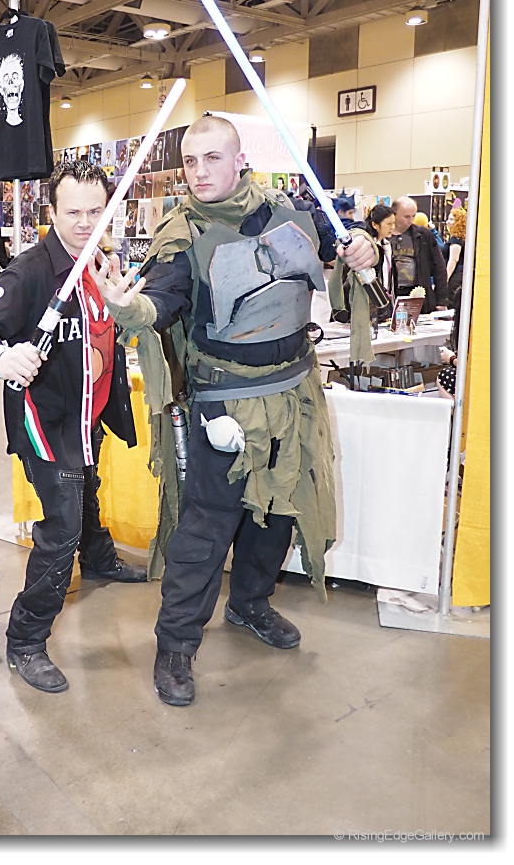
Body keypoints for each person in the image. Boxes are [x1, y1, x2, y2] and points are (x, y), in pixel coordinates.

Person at [91, 115, 377, 707]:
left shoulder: (289, 211)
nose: (199, 172)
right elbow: (162, 300)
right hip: (224, 403)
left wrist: (361, 245)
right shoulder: (182, 234)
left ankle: (251, 604)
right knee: (207, 526)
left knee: (277, 512)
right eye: (190, 161)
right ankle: (175, 645)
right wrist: (129, 308)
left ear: (240, 160)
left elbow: (342, 244)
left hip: (292, 394)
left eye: (212, 158)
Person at [0, 160, 146, 696]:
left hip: (87, 415)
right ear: (51, 212)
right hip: (47, 424)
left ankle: (99, 560)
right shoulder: (31, 271)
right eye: (73, 212)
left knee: (88, 491)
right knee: (60, 532)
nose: (85, 223)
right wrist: (0, 357)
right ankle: (26, 640)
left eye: (95, 211)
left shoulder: (100, 262)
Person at [389, 197, 448, 313]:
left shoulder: (423, 235)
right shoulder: (383, 236)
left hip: (418, 294)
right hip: (391, 294)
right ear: (394, 214)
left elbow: (439, 267)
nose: (411, 221)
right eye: (406, 217)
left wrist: (442, 300)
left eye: (413, 216)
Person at [444, 207, 467, 309]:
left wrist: (445, 278)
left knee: (452, 303)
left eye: (451, 219)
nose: (447, 222)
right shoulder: (462, 237)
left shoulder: (456, 239)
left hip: (455, 276)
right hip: (459, 274)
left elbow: (453, 260)